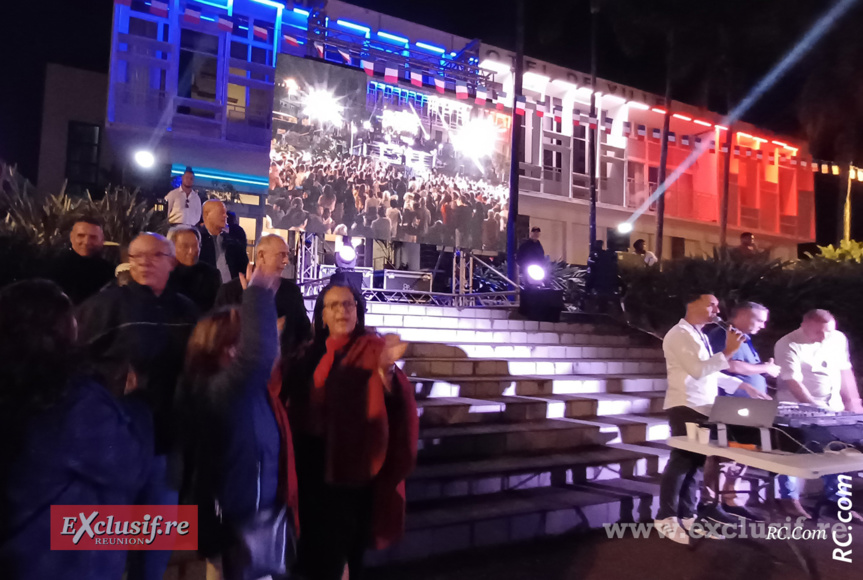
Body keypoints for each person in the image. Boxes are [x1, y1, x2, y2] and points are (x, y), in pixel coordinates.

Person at [0, 280, 153, 580]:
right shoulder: (73, 400)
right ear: (58, 329)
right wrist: (136, 405)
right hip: (62, 559)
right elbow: (129, 467)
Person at [76, 233, 199, 579]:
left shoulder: (187, 311)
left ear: (172, 262)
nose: (143, 262)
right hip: (114, 448)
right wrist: (115, 380)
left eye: (154, 255)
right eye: (136, 256)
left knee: (155, 550)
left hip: (166, 445)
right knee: (106, 548)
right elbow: (68, 362)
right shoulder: (104, 306)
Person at [284, 281, 418, 580]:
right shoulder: (307, 353)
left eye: (348, 304)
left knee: (345, 548)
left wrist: (387, 373)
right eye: (334, 305)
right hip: (311, 464)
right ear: (322, 315)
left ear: (358, 311)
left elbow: (396, 399)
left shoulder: (374, 348)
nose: (342, 310)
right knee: (314, 549)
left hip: (353, 465)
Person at [177, 266, 297, 580]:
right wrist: (256, 294)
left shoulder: (254, 394)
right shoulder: (221, 390)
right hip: (233, 530)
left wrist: (262, 306)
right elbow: (259, 355)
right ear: (228, 348)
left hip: (258, 526)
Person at [654, 293, 769, 544]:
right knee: (682, 461)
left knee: (695, 464)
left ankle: (688, 516)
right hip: (685, 405)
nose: (716, 309)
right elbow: (698, 370)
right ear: (690, 304)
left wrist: (743, 386)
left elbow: (711, 373)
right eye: (710, 303)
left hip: (703, 407)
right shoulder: (678, 334)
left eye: (717, 304)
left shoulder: (700, 335)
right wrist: (728, 351)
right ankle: (666, 517)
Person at [774, 309, 863, 520]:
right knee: (792, 453)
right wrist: (816, 409)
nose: (824, 337)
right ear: (804, 325)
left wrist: (853, 401)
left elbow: (845, 370)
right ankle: (788, 499)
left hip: (833, 405)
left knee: (838, 452)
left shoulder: (837, 338)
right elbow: (792, 381)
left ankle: (837, 501)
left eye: (828, 331)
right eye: (818, 332)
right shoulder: (788, 343)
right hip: (797, 408)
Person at [705, 302, 781, 522]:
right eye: (759, 320)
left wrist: (763, 369)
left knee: (742, 454)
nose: (763, 326)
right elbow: (730, 366)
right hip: (729, 405)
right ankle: (712, 503)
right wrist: (765, 368)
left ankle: (730, 499)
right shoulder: (722, 334)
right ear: (742, 316)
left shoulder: (745, 338)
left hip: (749, 408)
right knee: (722, 454)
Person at [215, 235, 311, 351]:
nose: (286, 261)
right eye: (281, 255)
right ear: (261, 255)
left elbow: (304, 333)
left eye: (287, 255)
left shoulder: (291, 291)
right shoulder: (231, 292)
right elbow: (219, 336)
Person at [46, 217, 115, 304]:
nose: (86, 242)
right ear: (72, 237)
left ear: (102, 240)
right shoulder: (53, 267)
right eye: (81, 236)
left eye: (93, 237)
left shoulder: (110, 272)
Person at [167, 225, 222, 312]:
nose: (191, 251)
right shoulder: (163, 274)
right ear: (171, 248)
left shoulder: (211, 274)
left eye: (195, 246)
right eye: (185, 246)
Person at [199, 200, 249, 283]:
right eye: (221, 213)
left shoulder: (234, 243)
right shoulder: (196, 242)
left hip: (230, 292)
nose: (226, 216)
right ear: (207, 214)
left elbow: (243, 269)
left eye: (225, 212)